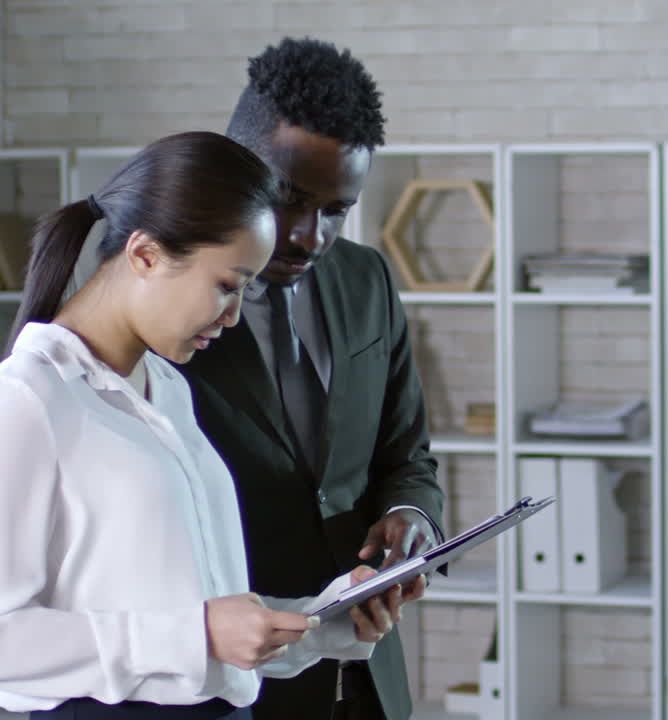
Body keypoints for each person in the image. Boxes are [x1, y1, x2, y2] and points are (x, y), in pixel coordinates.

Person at [0, 131, 416, 720]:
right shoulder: (26, 400)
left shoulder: (167, 389)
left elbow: (197, 616)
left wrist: (317, 623)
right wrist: (195, 634)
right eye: (227, 285)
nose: (234, 315)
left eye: (247, 288)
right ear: (145, 254)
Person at [178, 38, 447, 720]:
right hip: (236, 683)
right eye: (289, 199)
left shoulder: (368, 279)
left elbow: (406, 454)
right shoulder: (167, 299)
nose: (308, 235)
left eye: (337, 210)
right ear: (235, 165)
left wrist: (409, 519)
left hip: (368, 680)